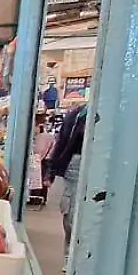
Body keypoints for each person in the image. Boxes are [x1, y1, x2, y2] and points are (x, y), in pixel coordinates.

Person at [48, 103, 87, 255]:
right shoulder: (78, 114)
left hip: (76, 163)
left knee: (72, 211)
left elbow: (62, 141)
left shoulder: (77, 114)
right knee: (71, 213)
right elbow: (63, 141)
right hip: (75, 163)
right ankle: (71, 253)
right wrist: (53, 169)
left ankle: (72, 253)